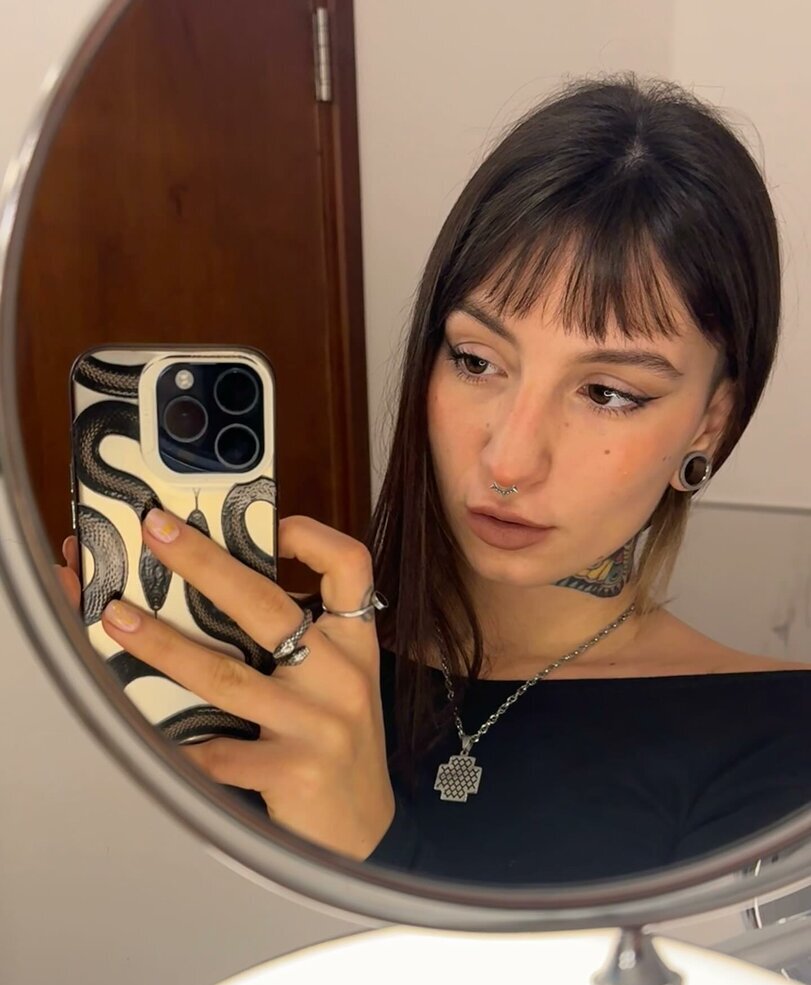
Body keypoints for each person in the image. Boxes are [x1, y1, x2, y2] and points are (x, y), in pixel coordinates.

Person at [58, 73, 811, 885]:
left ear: (709, 421)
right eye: (476, 361)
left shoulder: (779, 740)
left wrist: (369, 845)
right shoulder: (254, 673)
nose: (509, 461)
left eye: (606, 393)